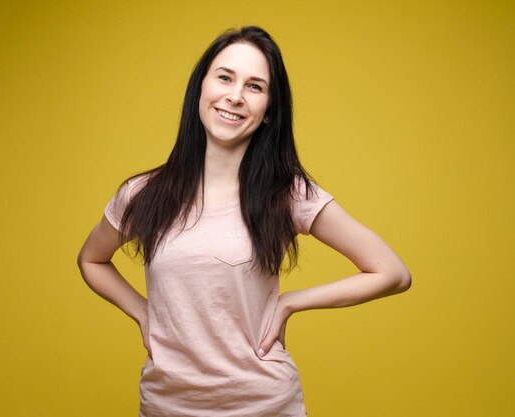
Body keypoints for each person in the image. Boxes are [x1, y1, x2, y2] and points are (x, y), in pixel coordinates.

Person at [77, 26, 411, 417]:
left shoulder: (287, 194)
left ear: (269, 110)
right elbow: (91, 259)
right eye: (224, 77)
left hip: (265, 404)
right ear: (200, 88)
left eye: (255, 87)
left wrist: (291, 303)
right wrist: (142, 310)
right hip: (166, 404)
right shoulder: (142, 193)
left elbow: (392, 272)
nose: (235, 96)